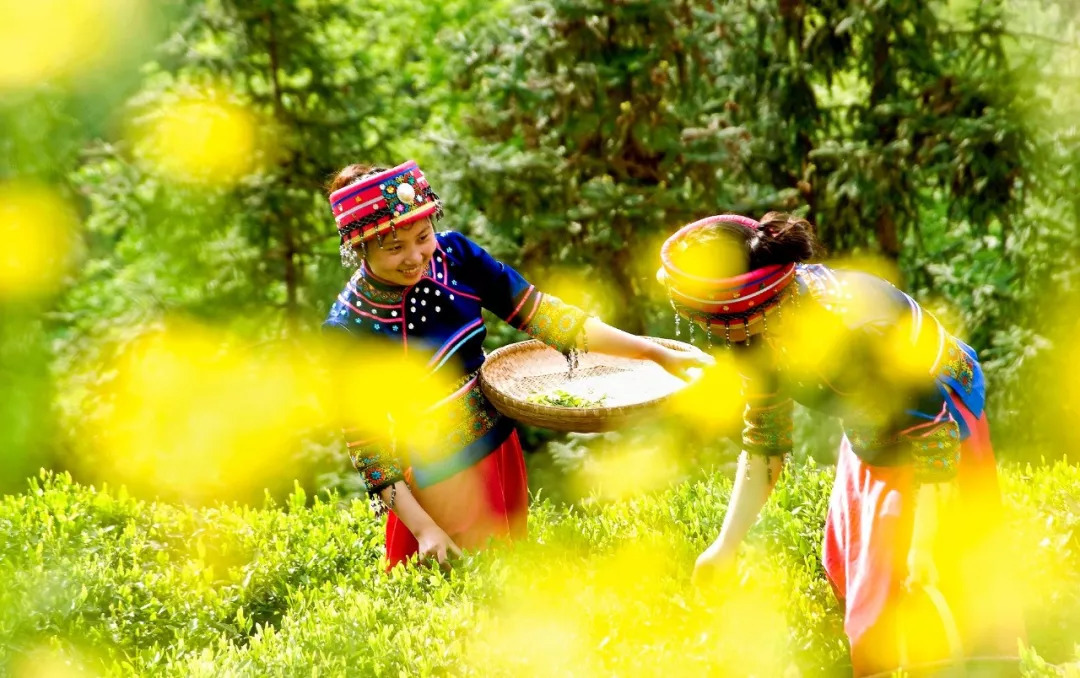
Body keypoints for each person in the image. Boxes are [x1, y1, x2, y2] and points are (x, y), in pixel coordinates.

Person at [660, 213, 1024, 675]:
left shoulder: (855, 332)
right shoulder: (756, 329)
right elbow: (765, 445)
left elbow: (935, 436)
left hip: (940, 427)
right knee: (871, 585)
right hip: (872, 426)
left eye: (714, 324)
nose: (716, 336)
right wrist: (725, 546)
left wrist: (924, 546)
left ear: (745, 307)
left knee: (911, 599)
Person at [322, 160, 709, 569]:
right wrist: (424, 529)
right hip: (435, 479)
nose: (415, 257)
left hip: (500, 449)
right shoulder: (349, 327)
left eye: (423, 236)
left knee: (507, 577)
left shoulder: (455, 256)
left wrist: (653, 352)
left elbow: (547, 317)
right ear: (360, 247)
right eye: (394, 248)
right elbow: (369, 448)